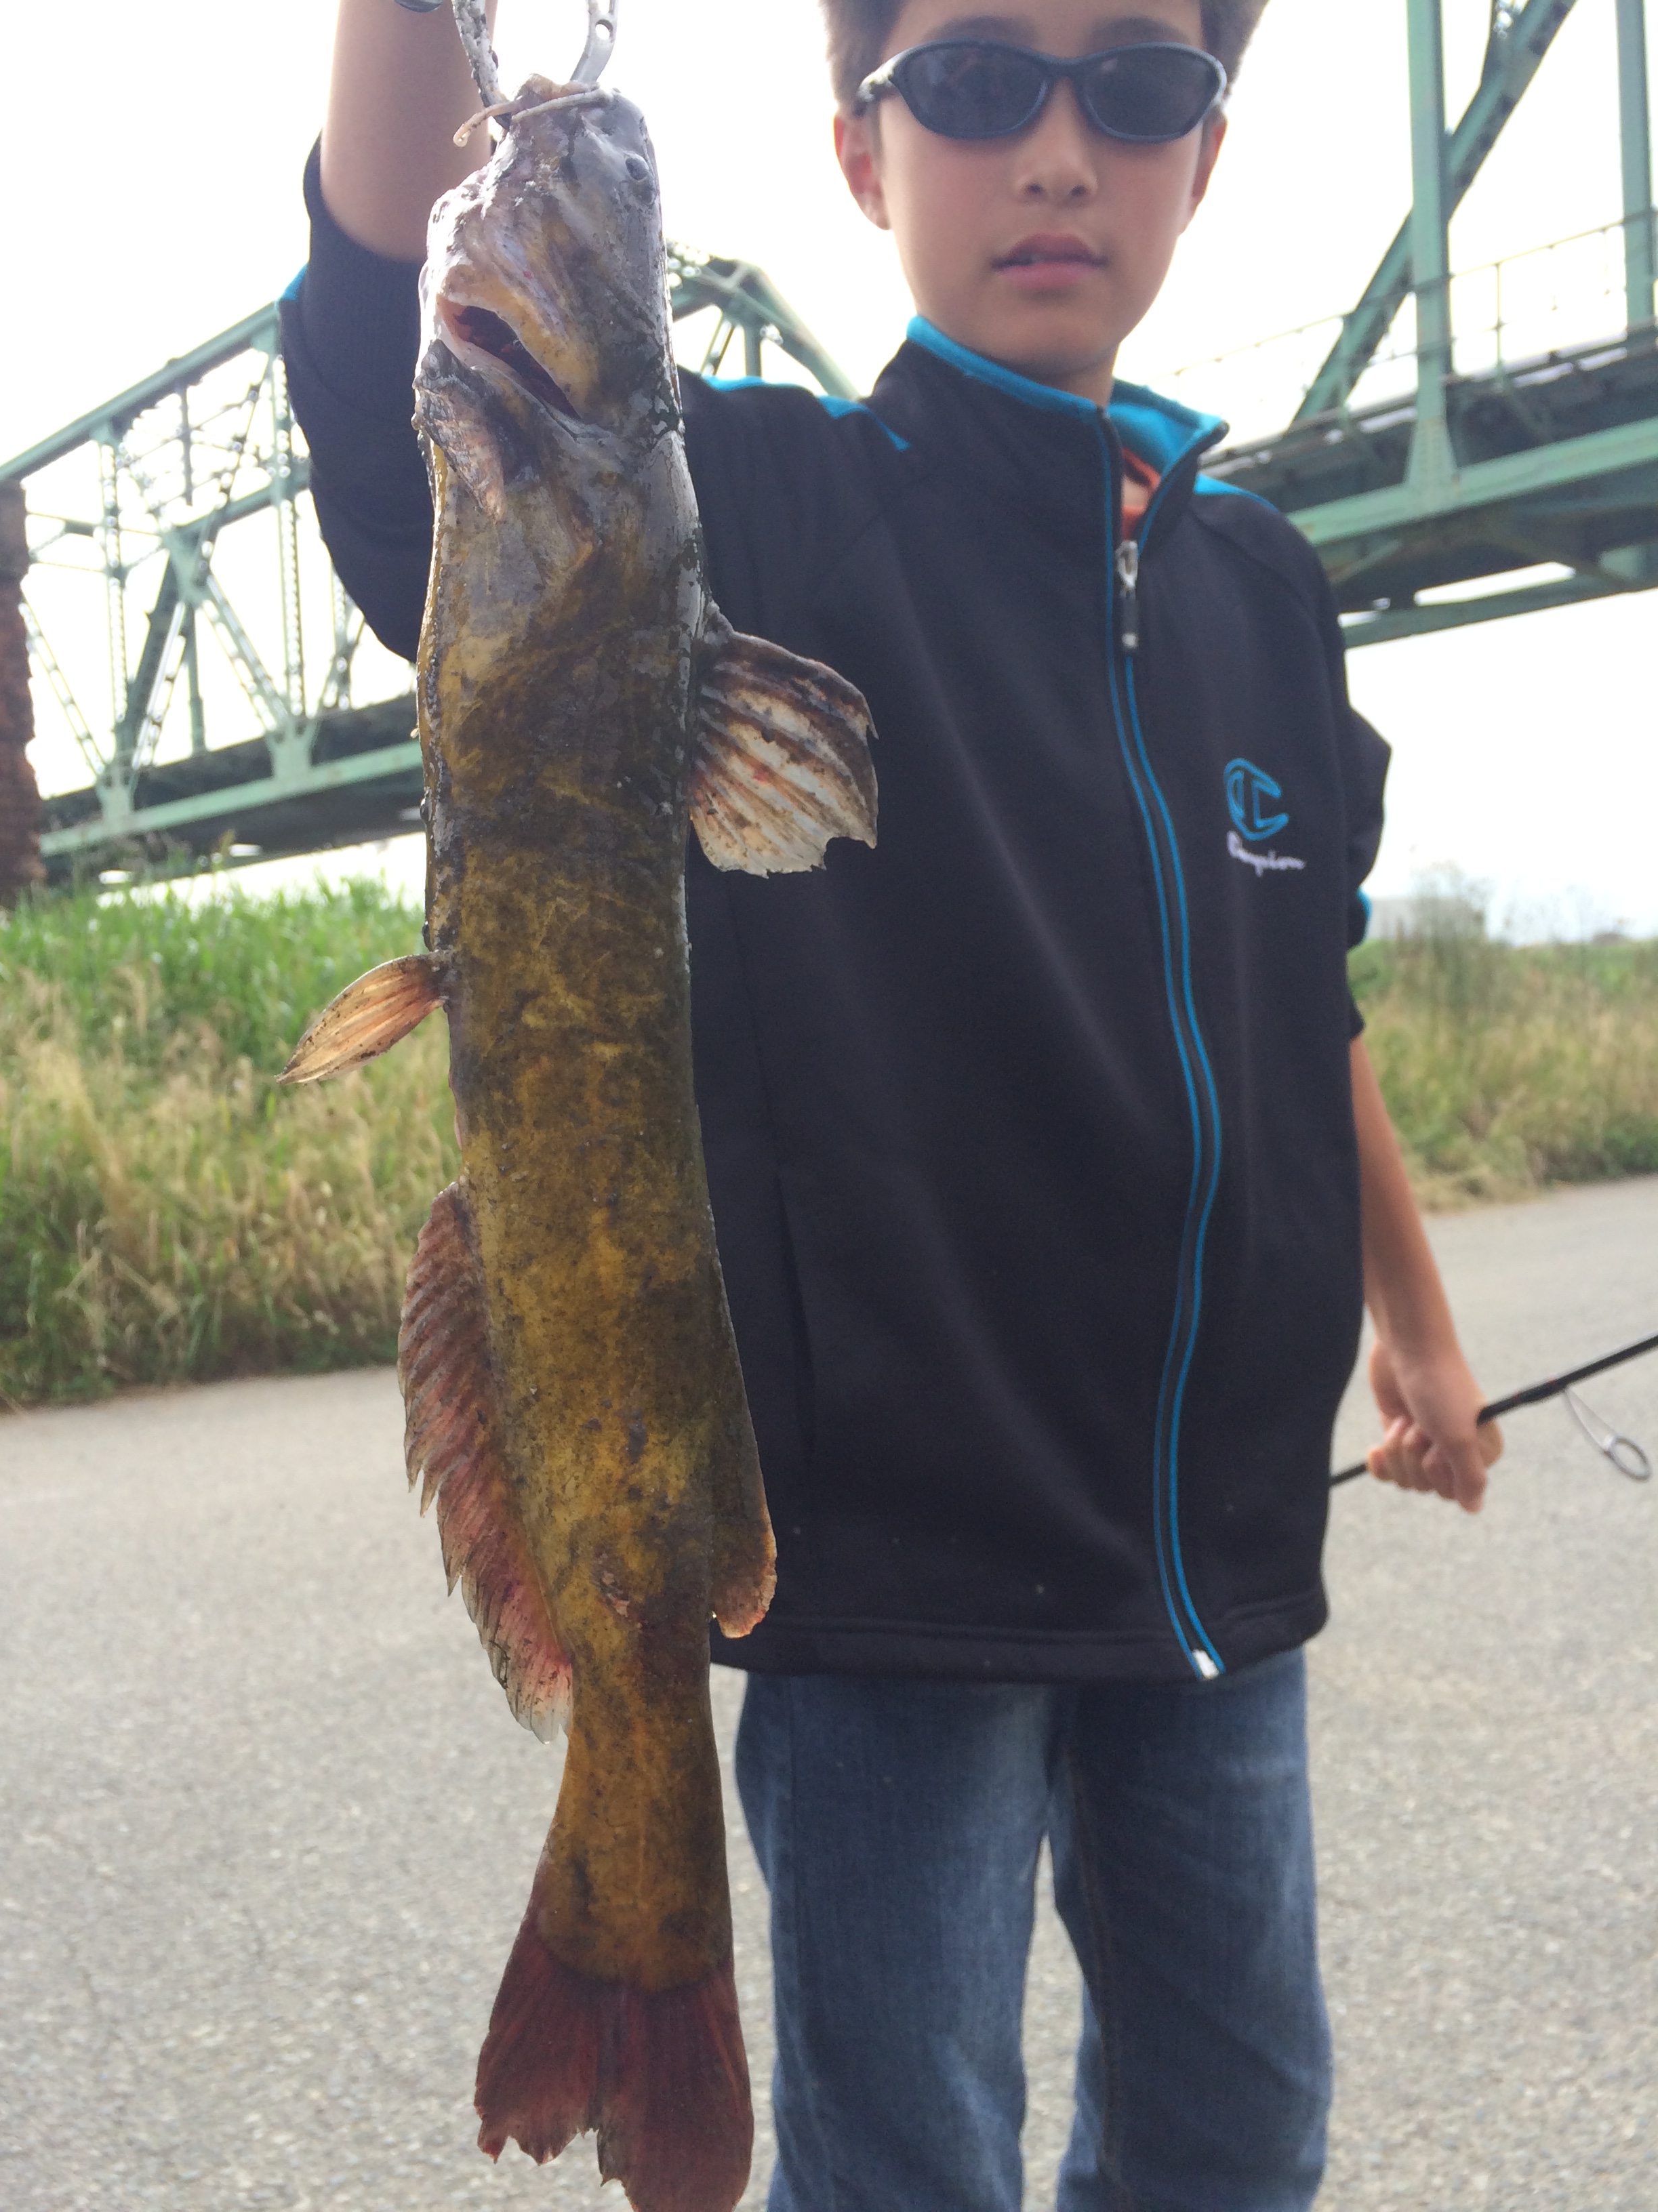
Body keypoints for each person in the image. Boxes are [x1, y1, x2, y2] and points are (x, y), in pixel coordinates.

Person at [285, 3, 1503, 2205]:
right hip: (893, 1587)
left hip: (1223, 1563)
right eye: (975, 82)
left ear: (1206, 153)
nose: (1059, 148)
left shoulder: (1266, 587)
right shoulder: (747, 508)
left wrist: (1414, 1326)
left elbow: (1300, 983)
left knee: (1242, 2135)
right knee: (905, 2163)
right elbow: (397, 390)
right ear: (863, 153)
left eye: (1137, 86)